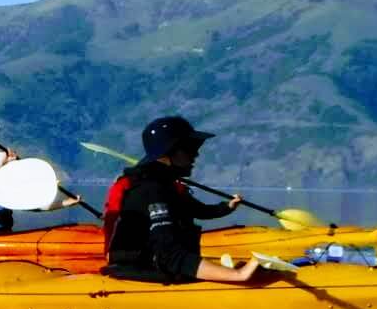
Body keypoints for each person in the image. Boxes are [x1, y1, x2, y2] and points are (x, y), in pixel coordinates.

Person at [101, 114, 259, 284]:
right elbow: (168, 255)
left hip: (160, 268)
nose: (196, 155)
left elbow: (197, 210)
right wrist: (238, 275)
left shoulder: (166, 185)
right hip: (139, 273)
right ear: (169, 152)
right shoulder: (151, 190)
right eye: (190, 149)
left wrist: (226, 207)